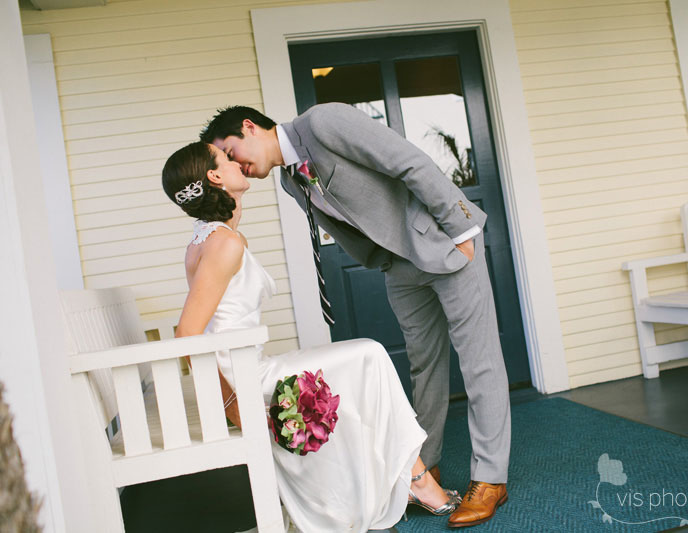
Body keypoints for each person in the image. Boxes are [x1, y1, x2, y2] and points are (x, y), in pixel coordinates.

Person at [200, 103, 511, 528]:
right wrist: (382, 260)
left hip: (444, 244)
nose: (236, 164)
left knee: (480, 362)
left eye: (230, 151)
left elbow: (409, 163)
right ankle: (425, 467)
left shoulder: (323, 122)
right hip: (399, 265)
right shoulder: (292, 179)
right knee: (424, 366)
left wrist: (461, 229)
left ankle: (491, 479)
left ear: (250, 127)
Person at [162, 141, 461, 533]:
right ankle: (418, 482)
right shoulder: (223, 243)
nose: (237, 161)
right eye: (226, 159)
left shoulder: (212, 237)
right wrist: (232, 401)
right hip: (246, 379)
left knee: (360, 370)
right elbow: (187, 333)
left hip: (250, 367)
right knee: (368, 356)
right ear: (216, 177)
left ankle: (407, 479)